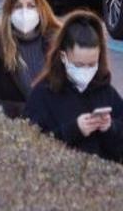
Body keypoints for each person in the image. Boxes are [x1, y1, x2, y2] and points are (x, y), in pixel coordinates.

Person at [26, 11, 123, 162]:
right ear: (64, 57)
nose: (86, 70)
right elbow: (29, 145)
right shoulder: (43, 94)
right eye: (79, 65)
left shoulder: (106, 92)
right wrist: (74, 130)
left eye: (92, 64)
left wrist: (110, 128)